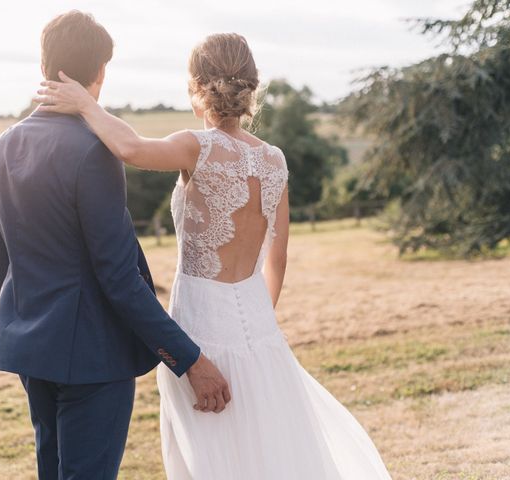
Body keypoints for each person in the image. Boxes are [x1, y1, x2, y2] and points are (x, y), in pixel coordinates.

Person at [36, 27, 393, 479]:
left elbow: (129, 148)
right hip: (259, 322)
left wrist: (86, 104)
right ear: (251, 87)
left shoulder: (196, 147)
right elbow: (277, 257)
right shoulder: (274, 159)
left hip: (200, 321)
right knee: (266, 442)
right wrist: (257, 319)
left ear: (195, 88)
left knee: (209, 451)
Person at [0, 11, 230, 480]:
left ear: (44, 65)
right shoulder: (93, 151)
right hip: (92, 354)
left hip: (31, 348)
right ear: (99, 74)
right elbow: (119, 276)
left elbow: (2, 265)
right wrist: (188, 359)